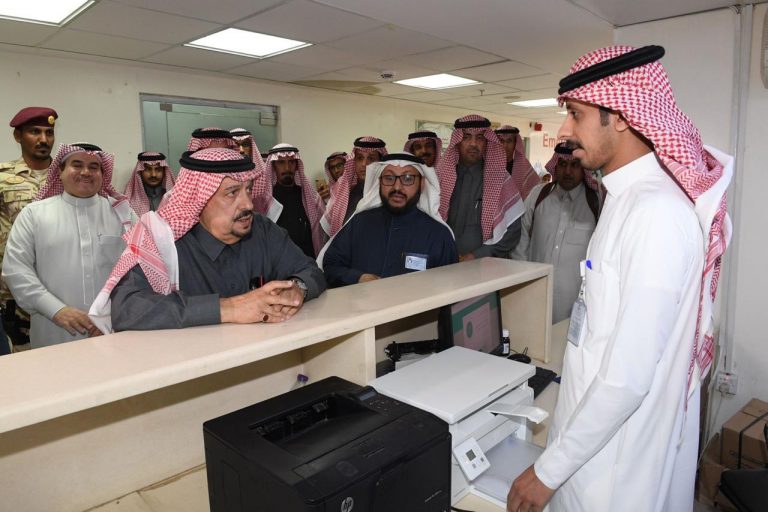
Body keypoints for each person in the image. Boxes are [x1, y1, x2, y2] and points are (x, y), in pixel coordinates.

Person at [506, 45, 733, 512]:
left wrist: (546, 472)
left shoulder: (656, 214)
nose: (563, 132)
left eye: (576, 114)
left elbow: (627, 378)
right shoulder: (626, 199)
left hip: (612, 474)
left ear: (623, 117)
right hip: (588, 448)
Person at [89, 148, 326, 333]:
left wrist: (298, 289)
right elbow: (127, 309)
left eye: (248, 189)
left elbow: (309, 270)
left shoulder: (263, 230)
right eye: (232, 193)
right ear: (198, 199)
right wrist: (228, 308)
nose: (248, 204)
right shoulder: (161, 241)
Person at [2, 143, 135, 348]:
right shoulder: (34, 214)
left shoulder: (123, 214)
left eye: (94, 167)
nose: (86, 172)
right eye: (77, 165)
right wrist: (57, 310)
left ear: (103, 174)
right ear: (60, 171)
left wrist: (110, 314)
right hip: (53, 330)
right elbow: (16, 270)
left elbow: (140, 269)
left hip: (114, 328)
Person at [320, 153, 457, 287]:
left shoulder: (439, 235)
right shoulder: (359, 223)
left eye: (408, 178)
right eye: (389, 178)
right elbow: (331, 265)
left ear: (421, 184)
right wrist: (358, 278)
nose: (397, 187)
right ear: (380, 182)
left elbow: (450, 288)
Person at [511, 143, 599, 322]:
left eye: (575, 165)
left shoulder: (595, 202)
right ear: (555, 166)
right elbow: (521, 240)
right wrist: (523, 281)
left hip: (575, 303)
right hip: (534, 293)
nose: (568, 171)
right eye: (563, 164)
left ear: (583, 169)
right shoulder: (538, 195)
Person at [0, 107, 58, 350]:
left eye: (49, 133)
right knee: (22, 361)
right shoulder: (3, 177)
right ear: (18, 136)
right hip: (13, 294)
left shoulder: (70, 175)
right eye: (35, 132)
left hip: (60, 286)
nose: (43, 139)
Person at [437, 115, 524, 261]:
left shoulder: (501, 179)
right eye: (466, 137)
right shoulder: (440, 177)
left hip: (484, 265)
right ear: (457, 142)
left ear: (487, 142)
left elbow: (512, 232)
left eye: (480, 138)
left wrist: (477, 256)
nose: (473, 144)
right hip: (442, 262)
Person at [265, 144, 326, 258]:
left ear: (297, 165)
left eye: (291, 162)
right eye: (281, 162)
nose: (287, 168)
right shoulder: (266, 200)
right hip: (278, 264)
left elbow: (323, 233)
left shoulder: (311, 198)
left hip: (308, 262)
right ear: (273, 166)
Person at [321, 136, 387, 237]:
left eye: (371, 158)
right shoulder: (344, 192)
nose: (364, 164)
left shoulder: (388, 193)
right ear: (354, 161)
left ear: (380, 162)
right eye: (359, 158)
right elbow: (330, 235)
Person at [124, 152, 175, 216]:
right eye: (148, 169)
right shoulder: (129, 201)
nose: (153, 174)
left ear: (164, 172)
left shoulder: (173, 198)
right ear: (140, 172)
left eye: (158, 169)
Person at [495, 125, 539, 200]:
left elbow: (536, 189)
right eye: (501, 141)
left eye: (509, 141)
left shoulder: (524, 167)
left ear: (515, 144)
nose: (505, 145)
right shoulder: (488, 166)